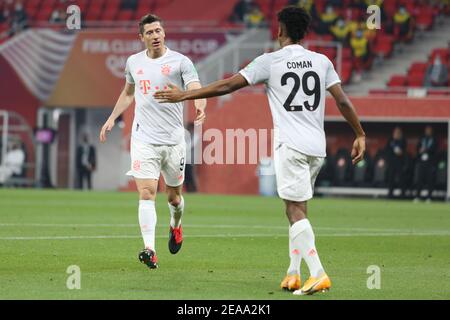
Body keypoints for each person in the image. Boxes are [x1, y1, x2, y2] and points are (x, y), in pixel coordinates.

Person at [154, 6, 366, 295]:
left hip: (290, 145)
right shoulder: (322, 61)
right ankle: (293, 272)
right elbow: (342, 101)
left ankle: (318, 273)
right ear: (305, 32)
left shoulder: (270, 62)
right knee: (297, 207)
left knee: (294, 209)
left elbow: (228, 85)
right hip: (317, 147)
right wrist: (360, 133)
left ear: (280, 31)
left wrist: (185, 94)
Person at [99, 14, 206, 269]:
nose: (155, 35)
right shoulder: (133, 62)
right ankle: (150, 249)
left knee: (174, 198)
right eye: (150, 32)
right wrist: (112, 118)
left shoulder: (181, 62)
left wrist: (200, 106)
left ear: (164, 33)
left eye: (158, 30)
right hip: (143, 139)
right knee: (147, 192)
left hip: (173, 141)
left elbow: (196, 86)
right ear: (142, 38)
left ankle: (176, 225)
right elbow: (128, 93)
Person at [414, 125, 437, 202]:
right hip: (421, 161)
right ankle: (417, 196)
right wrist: (420, 150)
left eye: (429, 130)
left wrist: (427, 149)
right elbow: (417, 148)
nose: (428, 131)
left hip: (430, 162)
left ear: (431, 131)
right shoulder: (422, 138)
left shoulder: (434, 139)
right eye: (427, 130)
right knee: (419, 179)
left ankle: (429, 197)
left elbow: (435, 150)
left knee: (430, 180)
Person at [385, 126, 407, 199]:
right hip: (392, 162)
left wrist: (400, 152)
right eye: (395, 132)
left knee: (401, 178)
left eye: (398, 132)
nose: (396, 134)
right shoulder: (390, 140)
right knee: (391, 178)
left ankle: (402, 195)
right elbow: (387, 151)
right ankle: (390, 194)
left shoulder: (402, 141)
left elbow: (403, 152)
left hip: (399, 162)